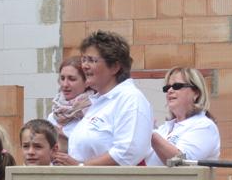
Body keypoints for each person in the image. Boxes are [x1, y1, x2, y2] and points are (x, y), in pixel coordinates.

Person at [53, 31, 153, 167]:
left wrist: (81, 168)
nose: (85, 66)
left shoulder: (130, 99)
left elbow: (128, 152)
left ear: (114, 67)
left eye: (92, 60)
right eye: (84, 59)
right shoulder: (98, 102)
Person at [145, 66, 220, 166]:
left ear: (196, 93)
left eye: (177, 86)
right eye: (167, 87)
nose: (170, 90)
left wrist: (149, 134)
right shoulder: (164, 129)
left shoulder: (205, 126)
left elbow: (182, 163)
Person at [47, 56, 93, 152]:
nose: (65, 84)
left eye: (72, 79)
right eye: (62, 78)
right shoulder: (53, 116)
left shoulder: (93, 112)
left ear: (86, 82)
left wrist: (66, 140)